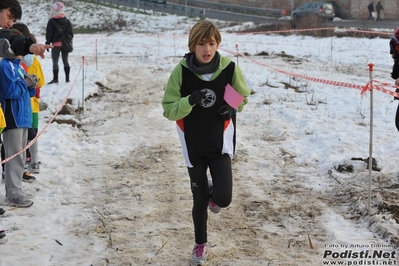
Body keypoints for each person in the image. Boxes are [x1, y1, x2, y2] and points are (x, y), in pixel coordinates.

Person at [162, 20, 251, 266]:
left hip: (220, 144)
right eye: (201, 44)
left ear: (217, 44)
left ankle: (215, 195)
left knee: (223, 198)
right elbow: (168, 110)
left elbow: (242, 97)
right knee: (198, 200)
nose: (207, 49)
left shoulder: (229, 69)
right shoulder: (181, 71)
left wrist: (230, 107)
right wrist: (190, 100)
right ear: (193, 46)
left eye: (211, 43)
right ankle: (200, 245)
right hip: (193, 146)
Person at [0, 29, 38, 207]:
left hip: (23, 116)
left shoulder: (17, 65)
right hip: (12, 117)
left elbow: (26, 92)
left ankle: (16, 190)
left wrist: (31, 82)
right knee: (14, 156)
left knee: (21, 156)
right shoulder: (5, 65)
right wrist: (25, 82)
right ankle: (13, 194)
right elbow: (10, 91)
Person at [11, 22, 44, 175]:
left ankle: (23, 163)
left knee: (18, 138)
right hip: (33, 105)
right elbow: (41, 81)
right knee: (32, 134)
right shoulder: (34, 60)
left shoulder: (12, 62)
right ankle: (34, 161)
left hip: (16, 106)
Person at [45, 1, 73, 84]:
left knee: (55, 62)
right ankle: (67, 79)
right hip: (65, 44)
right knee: (65, 60)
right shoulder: (67, 21)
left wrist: (48, 42)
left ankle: (55, 79)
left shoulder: (51, 21)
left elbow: (49, 33)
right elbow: (71, 34)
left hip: (55, 44)